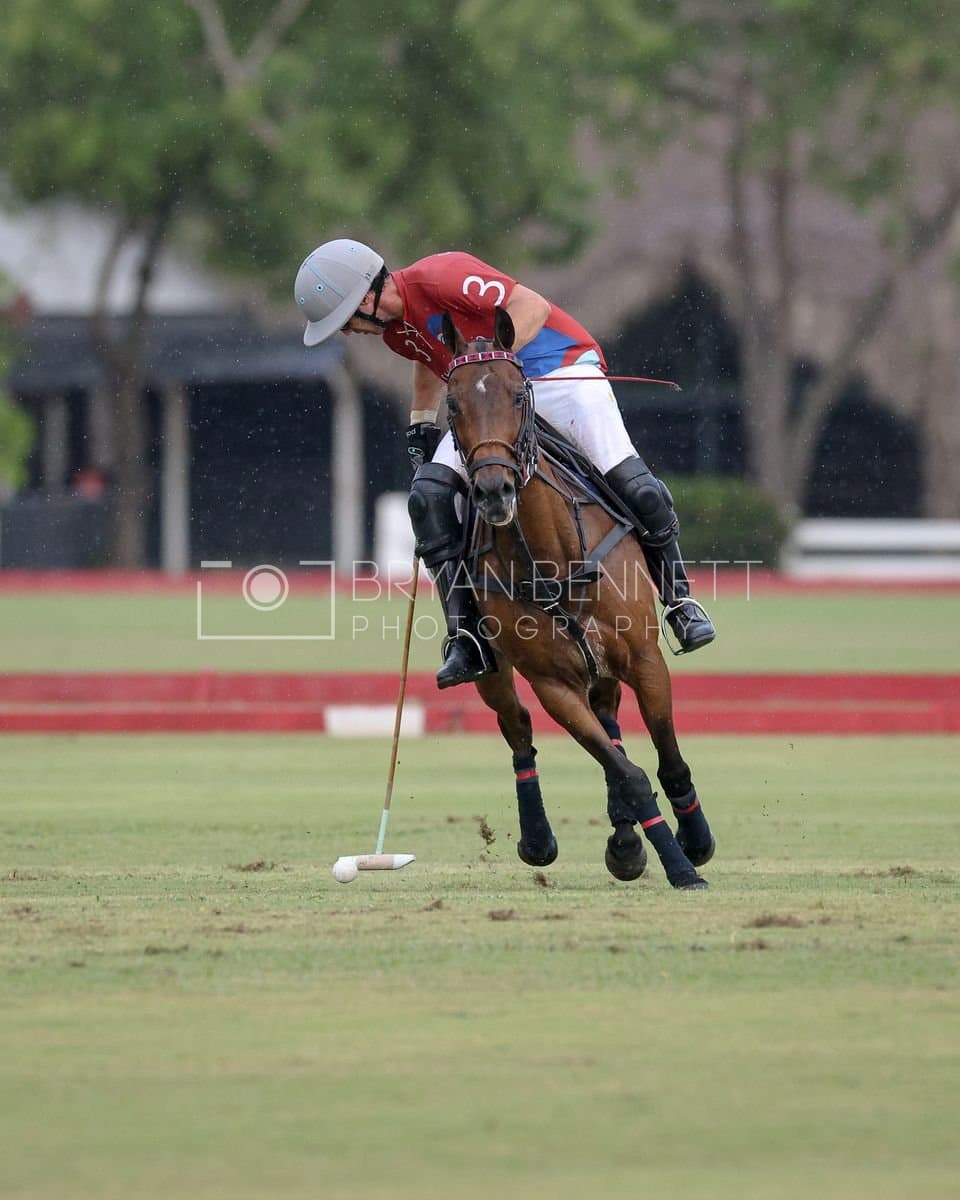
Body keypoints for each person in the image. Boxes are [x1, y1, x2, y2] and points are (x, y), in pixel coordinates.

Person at [295, 239, 716, 689]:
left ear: (365, 298)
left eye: (344, 320)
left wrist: (494, 365)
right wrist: (421, 424)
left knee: (636, 485)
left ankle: (679, 602)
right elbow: (430, 360)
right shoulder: (396, 332)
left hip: (556, 369)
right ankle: (467, 634)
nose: (346, 331)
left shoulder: (442, 275)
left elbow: (529, 305)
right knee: (429, 498)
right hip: (488, 403)